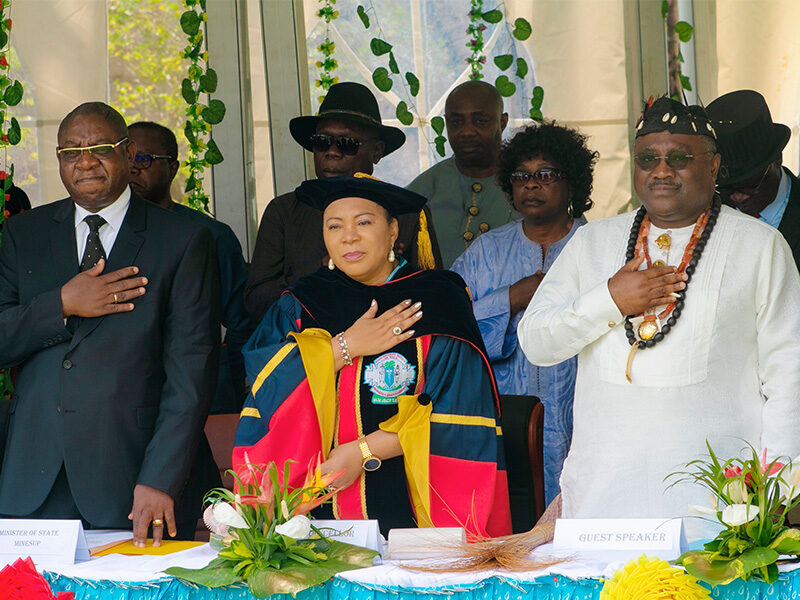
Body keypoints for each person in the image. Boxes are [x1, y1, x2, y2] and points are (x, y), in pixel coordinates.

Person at [517, 97, 800, 533]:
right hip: (605, 504)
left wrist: (776, 491)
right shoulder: (593, 242)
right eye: (648, 158)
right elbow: (536, 342)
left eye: (680, 158)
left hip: (719, 510)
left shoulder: (760, 247)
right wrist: (610, 300)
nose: (661, 171)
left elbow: (789, 378)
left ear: (714, 164)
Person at [234, 175, 512, 538]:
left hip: (414, 514)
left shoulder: (438, 300)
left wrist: (361, 452)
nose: (348, 236)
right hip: (314, 513)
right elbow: (265, 387)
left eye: (364, 222)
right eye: (334, 226)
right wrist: (343, 347)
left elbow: (460, 410)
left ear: (394, 230)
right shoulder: (301, 303)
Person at [0, 102, 221, 545]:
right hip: (35, 479)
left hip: (133, 477)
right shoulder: (24, 234)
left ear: (126, 151)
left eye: (100, 148)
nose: (84, 161)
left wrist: (160, 478)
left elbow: (191, 373)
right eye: (70, 152)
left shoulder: (182, 239)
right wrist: (62, 303)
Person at [451, 122, 598, 504]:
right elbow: (450, 332)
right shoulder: (486, 252)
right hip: (503, 418)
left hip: (582, 416)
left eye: (545, 174)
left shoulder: (599, 248)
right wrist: (509, 299)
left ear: (572, 184)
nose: (531, 184)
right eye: (521, 176)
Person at [244, 82, 442, 321]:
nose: (332, 152)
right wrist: (324, 267)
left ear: (377, 151)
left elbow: (432, 298)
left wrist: (390, 267)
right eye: (322, 142)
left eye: (347, 144)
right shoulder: (284, 211)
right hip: (305, 347)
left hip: (389, 346)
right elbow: (254, 302)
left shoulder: (407, 212)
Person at [128, 120, 253, 412]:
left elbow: (239, 324)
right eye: (127, 159)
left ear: (172, 168)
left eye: (144, 160)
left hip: (198, 390)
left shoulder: (209, 235)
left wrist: (237, 392)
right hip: (126, 392)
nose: (133, 168)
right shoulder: (102, 235)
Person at [408, 80, 518, 267]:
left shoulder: (530, 183)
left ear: (502, 121)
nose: (467, 131)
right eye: (456, 122)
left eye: (480, 121)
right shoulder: (422, 190)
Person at [706, 89, 800, 266]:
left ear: (777, 158)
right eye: (726, 188)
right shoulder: (707, 217)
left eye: (749, 185)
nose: (737, 197)